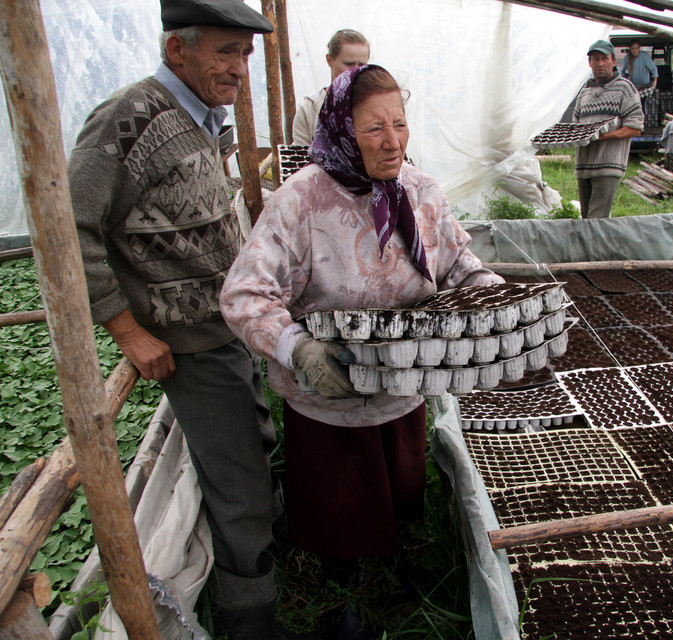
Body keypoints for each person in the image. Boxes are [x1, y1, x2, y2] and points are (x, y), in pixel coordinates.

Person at [221, 64, 504, 639]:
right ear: (342, 130)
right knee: (337, 500)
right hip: (332, 391)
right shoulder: (302, 201)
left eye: (400, 124)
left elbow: (453, 262)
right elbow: (245, 292)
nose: (393, 141)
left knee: (397, 484)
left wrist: (488, 292)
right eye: (375, 128)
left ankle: (393, 566)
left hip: (401, 384)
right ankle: (339, 583)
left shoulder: (419, 191)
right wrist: (299, 349)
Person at [67, 1, 289, 638]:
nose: (240, 68)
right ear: (177, 51)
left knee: (256, 438)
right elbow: (68, 223)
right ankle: (253, 621)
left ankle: (275, 557)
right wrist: (126, 328)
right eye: (226, 52)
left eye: (245, 54)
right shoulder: (129, 120)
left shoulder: (200, 118)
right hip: (188, 341)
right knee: (238, 481)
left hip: (225, 326)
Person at [572, 39, 645, 219]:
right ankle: (589, 247)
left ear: (614, 61)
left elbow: (635, 128)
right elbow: (575, 125)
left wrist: (601, 136)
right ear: (590, 63)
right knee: (586, 217)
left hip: (608, 166)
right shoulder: (585, 92)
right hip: (584, 166)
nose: (600, 63)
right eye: (596, 59)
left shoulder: (625, 89)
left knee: (597, 220)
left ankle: (596, 248)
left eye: (605, 58)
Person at [291, 28, 370, 145]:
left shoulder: (374, 105)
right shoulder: (310, 109)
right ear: (329, 60)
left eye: (362, 65)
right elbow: (302, 158)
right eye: (349, 64)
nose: (355, 70)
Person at [620, 38, 658, 116]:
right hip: (633, 87)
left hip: (645, 86)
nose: (635, 51)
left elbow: (653, 69)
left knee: (643, 104)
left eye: (637, 48)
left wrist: (655, 81)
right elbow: (622, 72)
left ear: (639, 48)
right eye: (633, 49)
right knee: (634, 105)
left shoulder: (645, 56)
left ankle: (643, 121)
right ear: (630, 49)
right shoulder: (627, 58)